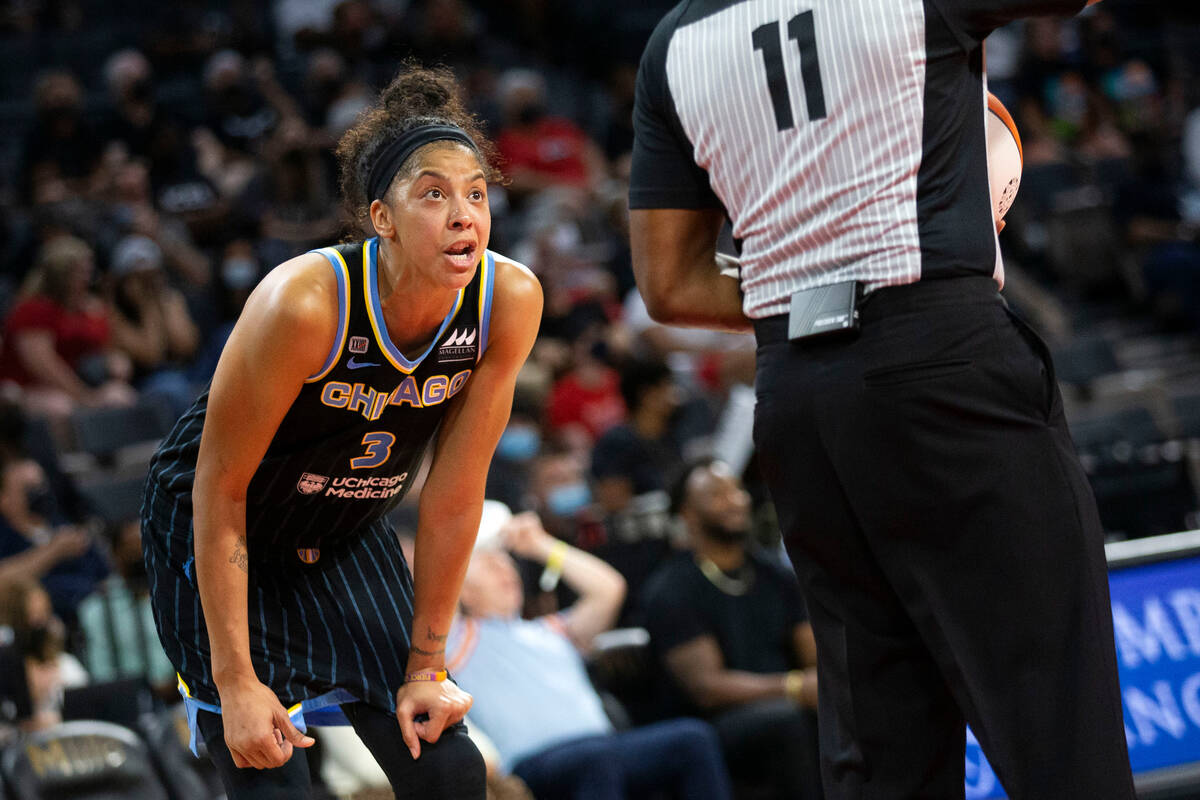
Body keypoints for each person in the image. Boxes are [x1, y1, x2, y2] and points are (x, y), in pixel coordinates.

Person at [628, 1, 1134, 799]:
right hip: (938, 352)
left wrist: (808, 282)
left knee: (880, 748)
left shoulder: (672, 43)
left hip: (797, 394)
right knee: (1054, 720)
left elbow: (667, 281)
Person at [140, 63, 542, 800]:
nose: (465, 215)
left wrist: (428, 666)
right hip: (224, 522)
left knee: (449, 767)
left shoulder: (506, 300)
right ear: (382, 219)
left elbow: (455, 496)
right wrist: (235, 682)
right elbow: (219, 489)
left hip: (346, 523)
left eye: (477, 194)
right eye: (434, 194)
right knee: (270, 770)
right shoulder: (304, 304)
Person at [447, 505, 734, 800]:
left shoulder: (551, 630)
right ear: (462, 590)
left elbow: (608, 589)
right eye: (488, 564)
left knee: (694, 739)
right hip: (535, 763)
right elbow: (437, 597)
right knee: (597, 762)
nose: (504, 569)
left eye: (507, 562)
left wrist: (541, 545)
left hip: (602, 747)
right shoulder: (456, 640)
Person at [641, 458, 821, 800]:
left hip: (788, 702)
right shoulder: (672, 590)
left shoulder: (774, 574)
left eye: (736, 490)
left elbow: (812, 653)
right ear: (687, 515)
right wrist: (795, 687)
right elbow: (707, 688)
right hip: (716, 725)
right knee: (789, 720)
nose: (735, 500)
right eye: (717, 494)